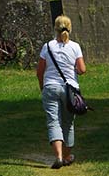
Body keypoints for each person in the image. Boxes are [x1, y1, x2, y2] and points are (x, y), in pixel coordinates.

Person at [36, 15, 86, 169]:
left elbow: (40, 71)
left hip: (50, 87)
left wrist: (42, 86)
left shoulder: (47, 46)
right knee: (68, 123)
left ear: (55, 28)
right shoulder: (75, 47)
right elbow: (82, 69)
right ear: (69, 28)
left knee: (53, 122)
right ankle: (66, 156)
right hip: (70, 88)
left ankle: (58, 156)